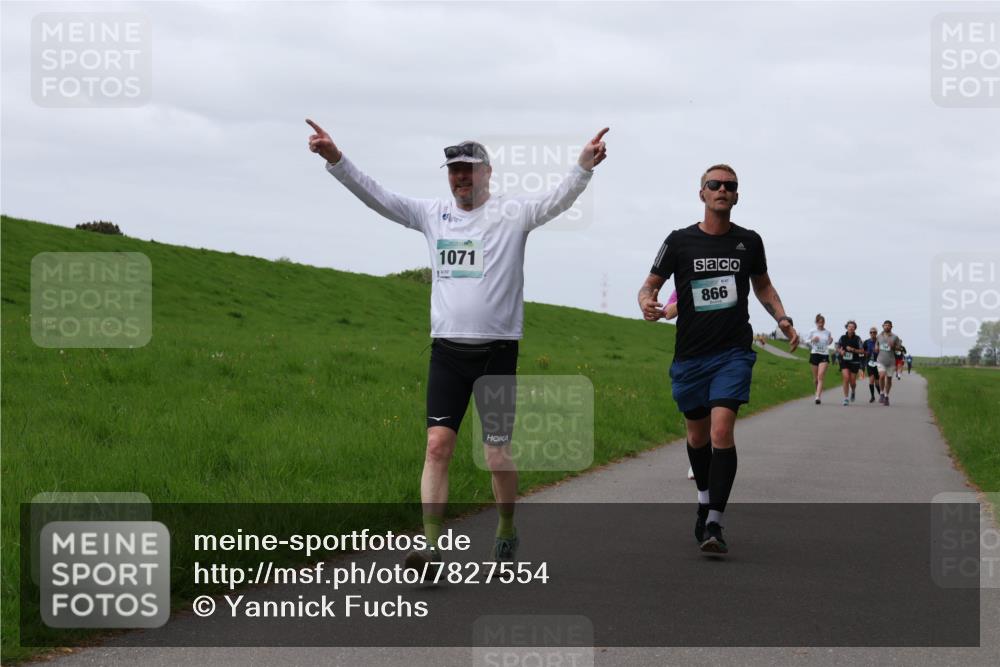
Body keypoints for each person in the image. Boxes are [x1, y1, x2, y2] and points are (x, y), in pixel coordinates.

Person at [306, 119, 609, 565]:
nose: (461, 178)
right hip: (447, 351)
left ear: (487, 172)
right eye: (454, 171)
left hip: (497, 353)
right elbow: (379, 197)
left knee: (497, 454)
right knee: (437, 446)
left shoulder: (513, 214)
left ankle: (506, 528)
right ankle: (430, 546)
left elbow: (556, 200)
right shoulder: (432, 214)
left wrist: (583, 168)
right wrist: (337, 159)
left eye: (468, 169)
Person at [638, 163, 798, 555]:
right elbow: (650, 284)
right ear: (703, 194)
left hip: (733, 353)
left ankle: (714, 521)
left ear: (737, 196)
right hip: (691, 355)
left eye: (730, 185)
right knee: (696, 436)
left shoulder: (749, 242)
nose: (722, 189)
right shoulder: (679, 242)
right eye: (715, 184)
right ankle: (704, 498)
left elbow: (762, 285)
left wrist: (782, 318)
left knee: (721, 431)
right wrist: (646, 302)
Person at [805, 314, 834, 404]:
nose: (821, 324)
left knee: (820, 376)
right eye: (819, 322)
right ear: (816, 322)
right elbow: (805, 341)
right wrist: (812, 340)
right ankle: (817, 391)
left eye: (822, 322)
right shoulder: (812, 331)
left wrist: (830, 341)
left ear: (824, 323)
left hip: (824, 355)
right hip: (814, 354)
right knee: (816, 379)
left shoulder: (827, 332)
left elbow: (828, 343)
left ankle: (818, 397)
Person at [876, 320, 902, 405]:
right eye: (885, 325)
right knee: (882, 376)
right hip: (881, 360)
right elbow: (876, 345)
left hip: (891, 361)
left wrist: (893, 346)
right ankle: (881, 393)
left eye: (888, 325)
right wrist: (876, 348)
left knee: (889, 379)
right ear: (883, 326)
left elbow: (899, 348)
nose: (887, 326)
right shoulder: (879, 336)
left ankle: (886, 396)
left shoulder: (895, 337)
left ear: (891, 327)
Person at [838, 320, 864, 406]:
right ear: (847, 327)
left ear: (855, 329)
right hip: (844, 361)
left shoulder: (858, 338)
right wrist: (840, 351)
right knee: (846, 378)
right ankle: (846, 398)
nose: (851, 328)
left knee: (852, 382)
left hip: (854, 362)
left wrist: (853, 350)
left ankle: (853, 391)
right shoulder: (842, 338)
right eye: (849, 327)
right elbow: (838, 347)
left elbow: (862, 351)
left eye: (853, 327)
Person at [862, 326, 881, 402]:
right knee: (871, 380)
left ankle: (881, 395)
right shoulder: (866, 342)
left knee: (877, 382)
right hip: (869, 362)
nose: (872, 333)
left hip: (878, 363)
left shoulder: (879, 341)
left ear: (876, 333)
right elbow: (862, 351)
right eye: (871, 332)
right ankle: (872, 396)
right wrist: (865, 353)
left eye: (874, 332)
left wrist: (878, 350)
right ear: (869, 333)